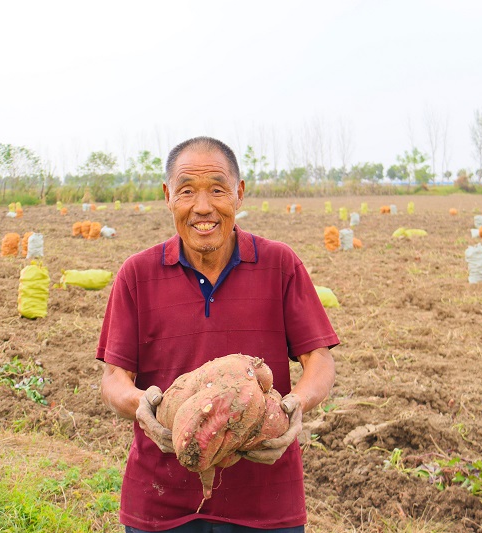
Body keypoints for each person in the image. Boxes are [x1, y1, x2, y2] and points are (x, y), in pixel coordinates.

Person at [97, 136, 339, 532]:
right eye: (187, 191)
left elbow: (320, 359)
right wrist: (145, 406)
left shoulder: (280, 264)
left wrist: (296, 404)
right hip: (161, 501)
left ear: (239, 194)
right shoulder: (136, 274)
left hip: (266, 503)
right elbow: (113, 379)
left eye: (217, 190)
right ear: (168, 196)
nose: (203, 207)